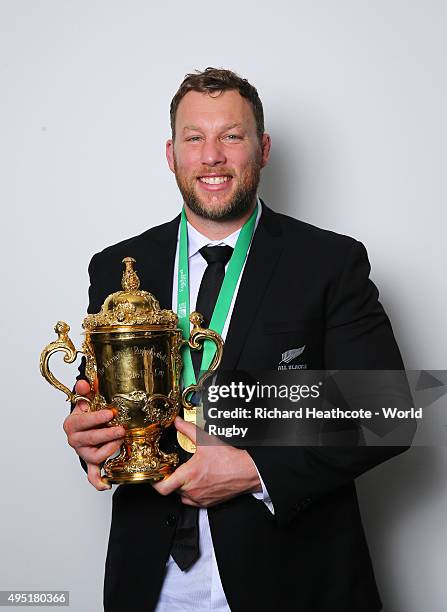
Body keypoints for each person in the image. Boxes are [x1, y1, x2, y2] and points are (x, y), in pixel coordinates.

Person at [63, 67, 412, 612]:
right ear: (171, 153)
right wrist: (89, 441)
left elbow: (388, 412)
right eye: (194, 138)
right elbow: (105, 406)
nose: (211, 157)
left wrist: (255, 469)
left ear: (263, 147)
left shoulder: (330, 262)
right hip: (149, 584)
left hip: (292, 581)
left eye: (232, 135)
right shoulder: (115, 268)